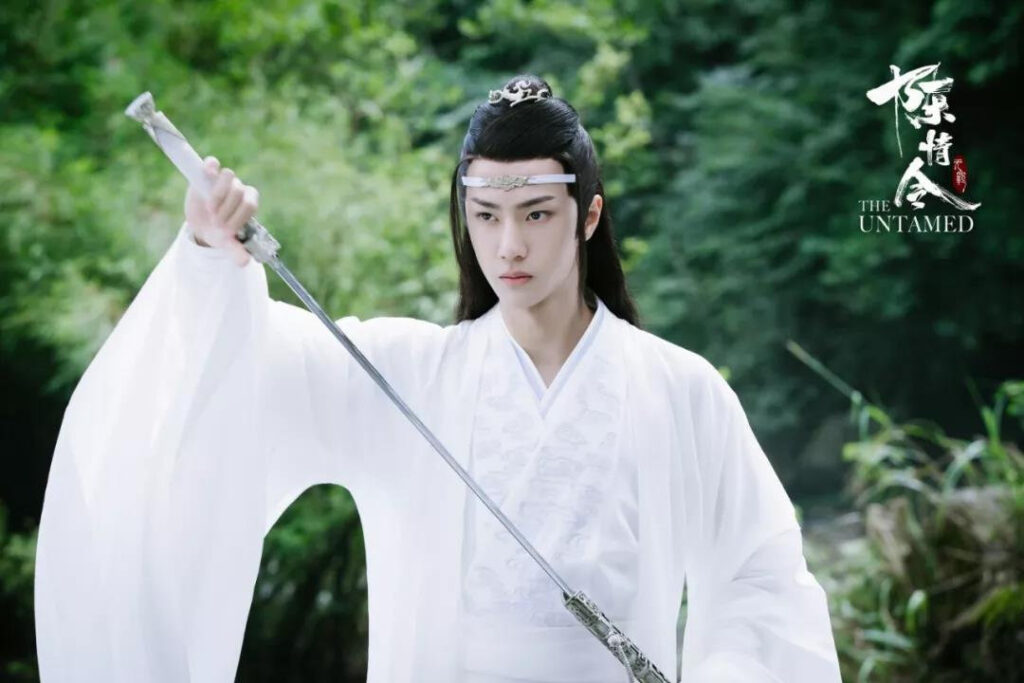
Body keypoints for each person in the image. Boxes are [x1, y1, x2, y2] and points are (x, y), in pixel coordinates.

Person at [34, 75, 841, 682]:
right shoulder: (407, 373)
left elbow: (761, 575)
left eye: (536, 213)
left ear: (589, 215)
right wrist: (211, 257)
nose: (508, 246)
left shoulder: (683, 389)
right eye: (486, 216)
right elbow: (241, 372)